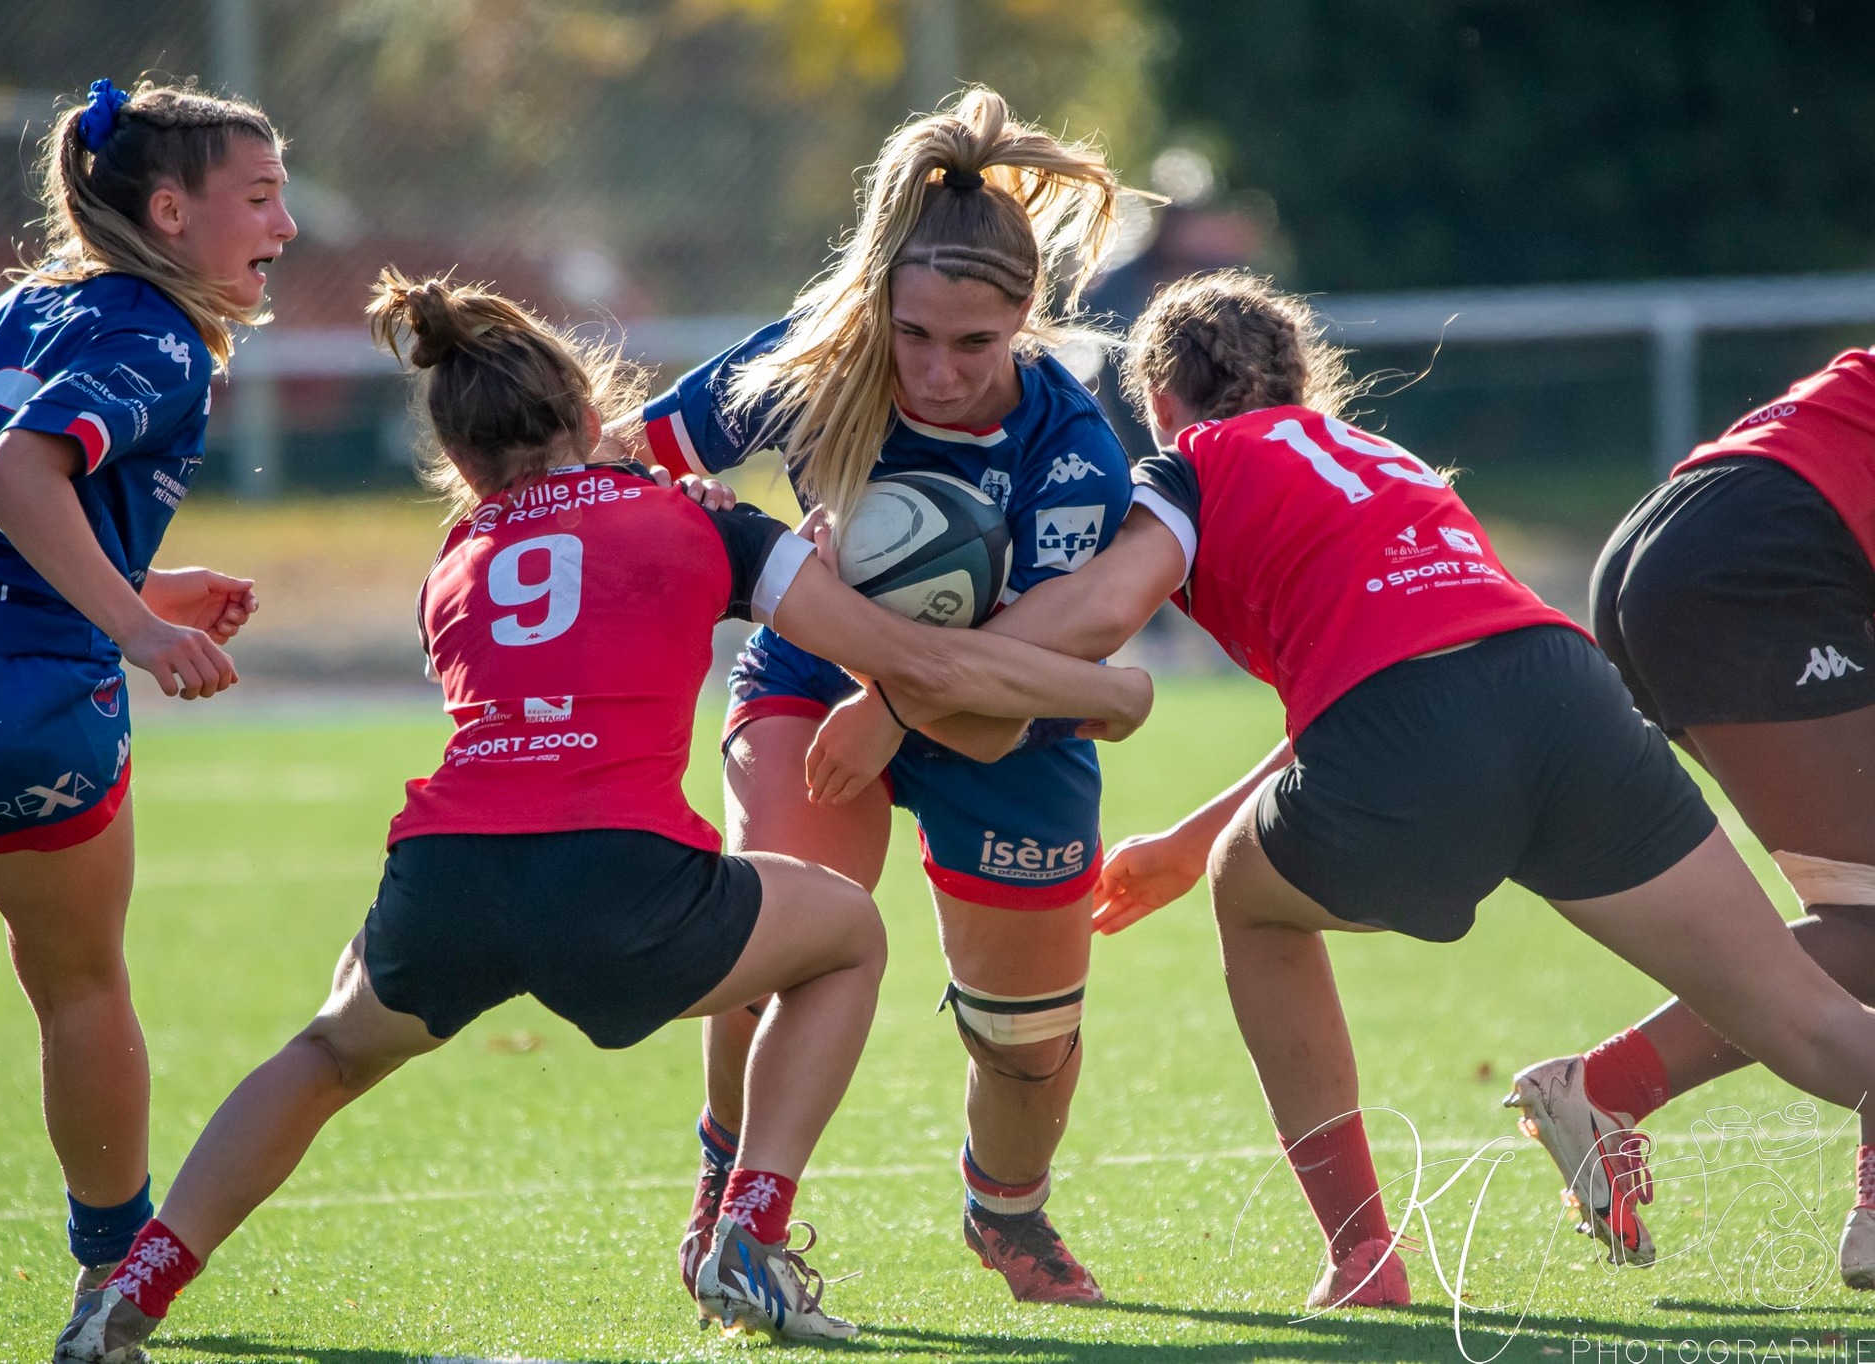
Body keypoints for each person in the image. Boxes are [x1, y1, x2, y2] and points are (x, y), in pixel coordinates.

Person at [53, 269, 1155, 1361]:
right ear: (594, 415)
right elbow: (911, 661)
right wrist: (1106, 692)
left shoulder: (455, 561)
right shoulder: (702, 526)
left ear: (457, 464)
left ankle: (130, 1289)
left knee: (327, 1050)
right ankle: (750, 1231)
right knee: (845, 936)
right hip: (621, 882)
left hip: (447, 870)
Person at [805, 268, 1875, 1310]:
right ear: (1304, 385)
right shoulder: (1381, 453)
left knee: (1250, 893)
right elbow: (1411, 661)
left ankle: (1362, 1249)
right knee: (1814, 1025)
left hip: (1416, 728)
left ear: (1162, 404)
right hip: (1566, 694)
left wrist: (901, 692)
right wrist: (1184, 836)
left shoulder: (1193, 461)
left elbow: (1098, 612)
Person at [617, 85, 1132, 1305]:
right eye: (912, 335)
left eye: (974, 344)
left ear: (1024, 322)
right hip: (812, 672)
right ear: (877, 303)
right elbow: (633, 462)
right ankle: (736, 1200)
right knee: (777, 933)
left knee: (1023, 1042)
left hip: (1001, 712)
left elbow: (1008, 691)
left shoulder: (1071, 455)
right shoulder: (813, 360)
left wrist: (893, 707)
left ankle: (1005, 1209)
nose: (938, 370)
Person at [0, 78, 287, 1364]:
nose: (285, 226)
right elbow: (16, 470)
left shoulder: (21, 303)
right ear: (166, 209)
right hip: (21, 694)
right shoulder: (158, 339)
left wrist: (138, 583)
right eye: (258, 198)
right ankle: (106, 1286)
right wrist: (136, 630)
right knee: (77, 985)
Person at [1505, 349, 1875, 1285]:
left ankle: (1608, 1090)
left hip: (1675, 542)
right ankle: (1606, 1089)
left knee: (1867, 914)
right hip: (1756, 560)